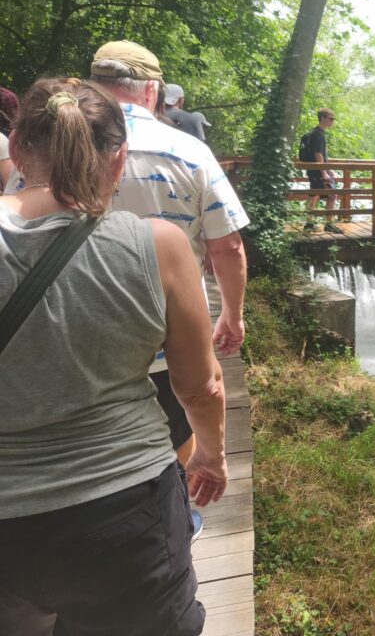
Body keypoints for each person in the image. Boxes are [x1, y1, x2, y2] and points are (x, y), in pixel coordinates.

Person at [0, 77, 227, 635]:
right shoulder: (158, 245)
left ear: (15, 149)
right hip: (126, 515)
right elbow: (199, 387)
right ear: (119, 158)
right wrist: (210, 456)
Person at [89, 41, 247, 508]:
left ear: (92, 87)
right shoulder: (188, 151)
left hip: (76, 332)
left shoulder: (52, 148)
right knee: (178, 425)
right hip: (167, 332)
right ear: (152, 91)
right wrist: (232, 315)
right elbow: (227, 245)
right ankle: (171, 512)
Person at [301, 108, 340, 234]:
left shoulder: (313, 132)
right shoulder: (318, 134)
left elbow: (320, 155)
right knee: (332, 195)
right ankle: (328, 224)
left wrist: (329, 169)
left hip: (314, 170)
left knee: (314, 195)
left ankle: (309, 223)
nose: (332, 122)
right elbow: (318, 155)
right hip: (318, 171)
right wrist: (324, 173)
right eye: (330, 119)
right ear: (322, 118)